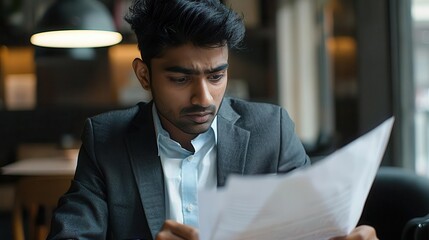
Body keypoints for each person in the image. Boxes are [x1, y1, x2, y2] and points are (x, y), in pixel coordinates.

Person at [47, 0, 378, 239]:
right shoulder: (107, 139)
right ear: (144, 75)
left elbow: (312, 229)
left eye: (217, 76)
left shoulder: (271, 131)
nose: (203, 98)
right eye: (180, 79)